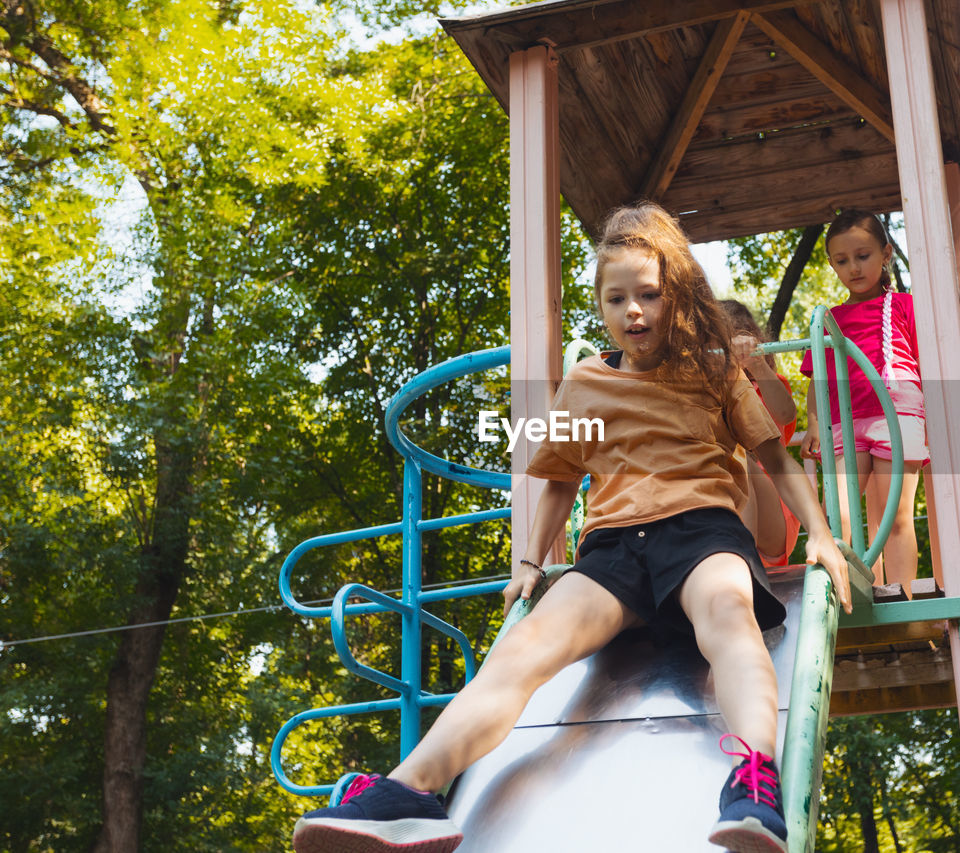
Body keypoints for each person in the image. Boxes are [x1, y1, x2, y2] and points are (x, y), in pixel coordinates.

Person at [291, 202, 852, 853]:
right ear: (601, 305)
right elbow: (560, 478)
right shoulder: (585, 380)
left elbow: (772, 454)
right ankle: (411, 790)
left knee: (729, 615)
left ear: (675, 297)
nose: (634, 311)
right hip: (612, 551)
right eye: (618, 298)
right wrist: (529, 559)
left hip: (702, 533)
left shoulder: (712, 367)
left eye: (649, 295)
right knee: (522, 652)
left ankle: (754, 780)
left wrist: (818, 532)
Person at [800, 210, 928, 594]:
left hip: (898, 412)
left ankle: (903, 600)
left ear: (886, 253)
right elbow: (815, 378)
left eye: (863, 255)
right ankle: (848, 594)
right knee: (837, 515)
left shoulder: (905, 305)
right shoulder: (829, 319)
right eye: (842, 261)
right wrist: (811, 422)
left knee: (894, 518)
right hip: (844, 421)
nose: (853, 268)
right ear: (832, 264)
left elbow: (927, 363)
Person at [719, 299, 802, 568]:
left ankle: (743, 567)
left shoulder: (764, 386)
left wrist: (757, 366)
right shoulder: (709, 393)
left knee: (738, 458)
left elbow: (786, 415)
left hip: (773, 514)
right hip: (723, 505)